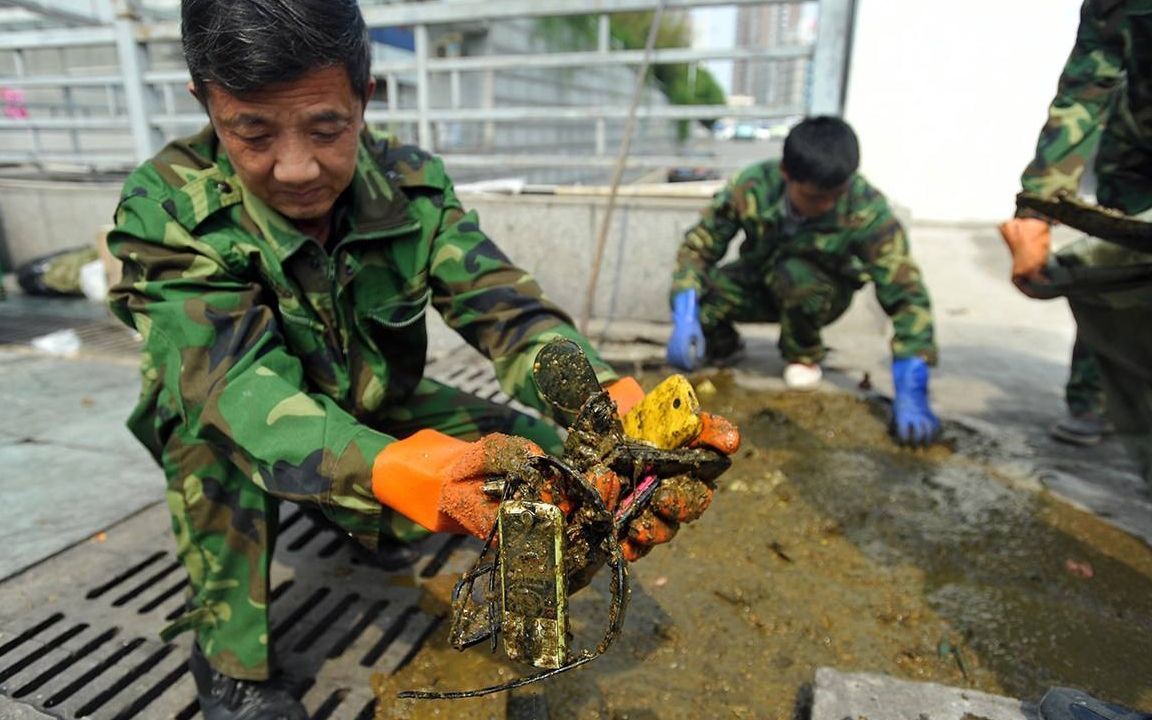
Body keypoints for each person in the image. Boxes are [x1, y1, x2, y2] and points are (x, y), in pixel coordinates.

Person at [106, 1, 738, 718]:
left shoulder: (411, 187)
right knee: (208, 449)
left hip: (372, 400)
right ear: (206, 105)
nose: (297, 167)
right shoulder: (166, 208)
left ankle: (513, 606)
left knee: (537, 468)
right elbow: (233, 386)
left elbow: (508, 312)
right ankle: (229, 660)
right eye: (251, 131)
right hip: (237, 428)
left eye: (327, 127)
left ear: (365, 97)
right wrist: (389, 470)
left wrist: (604, 406)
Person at [666, 116, 941, 446]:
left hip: (818, 294)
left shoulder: (866, 209)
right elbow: (699, 248)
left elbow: (906, 293)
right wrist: (685, 311)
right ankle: (723, 346)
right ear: (786, 174)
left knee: (797, 277)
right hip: (760, 280)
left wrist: (912, 382)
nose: (825, 205)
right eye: (813, 197)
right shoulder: (753, 186)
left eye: (834, 196)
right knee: (704, 296)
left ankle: (803, 353)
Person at [999, 0, 1152, 475]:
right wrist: (1037, 211)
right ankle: (1095, 396)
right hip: (1137, 150)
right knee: (1109, 271)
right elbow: (1085, 89)